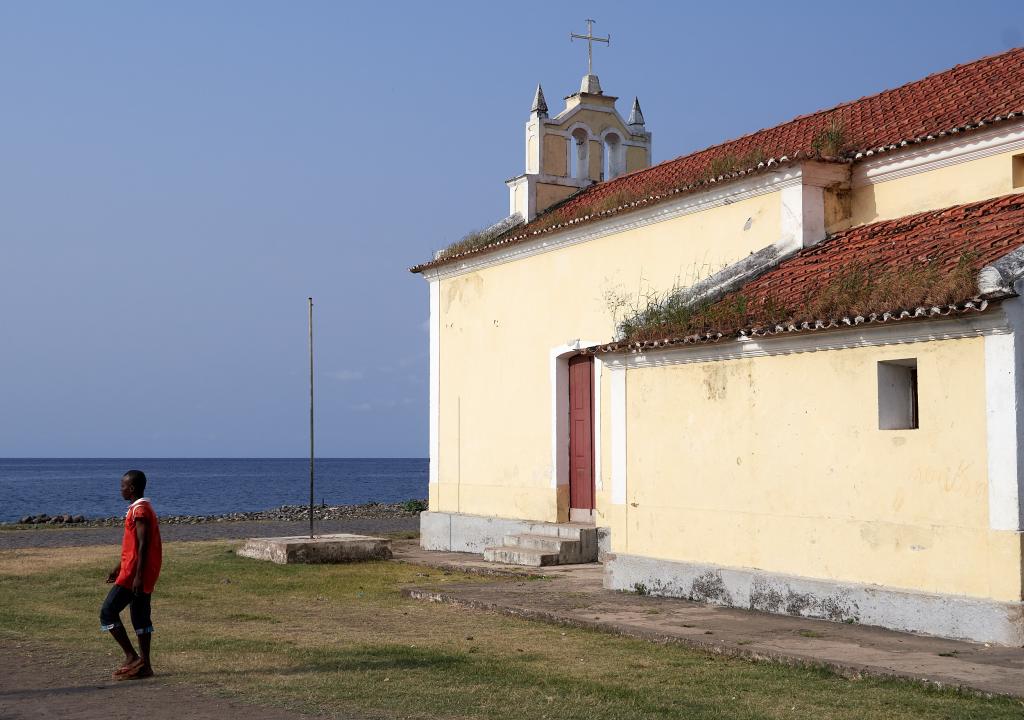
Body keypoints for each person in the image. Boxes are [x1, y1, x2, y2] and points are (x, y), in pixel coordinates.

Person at [99, 469, 162, 680]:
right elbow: (134, 545)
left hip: (134, 573)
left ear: (132, 488)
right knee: (140, 616)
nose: (121, 490)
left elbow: (143, 545)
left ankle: (132, 657)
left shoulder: (140, 511)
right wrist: (118, 566)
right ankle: (146, 666)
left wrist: (136, 575)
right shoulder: (140, 508)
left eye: (123, 486)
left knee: (108, 612)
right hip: (136, 570)